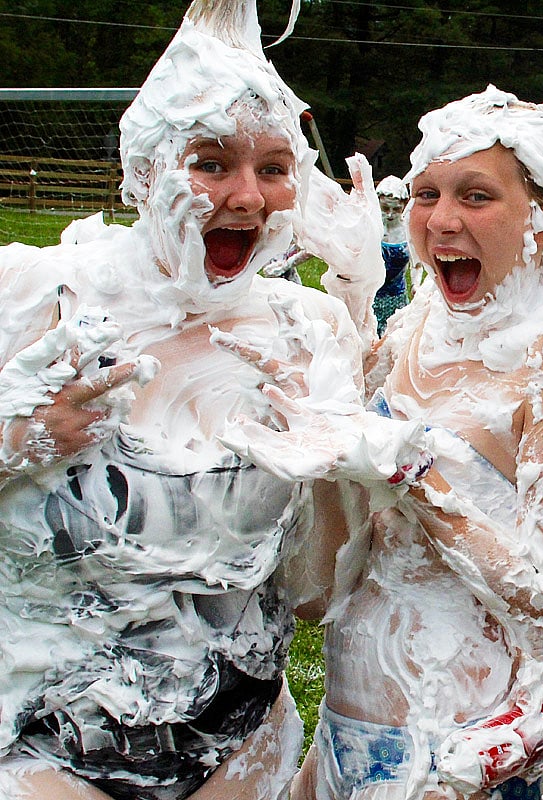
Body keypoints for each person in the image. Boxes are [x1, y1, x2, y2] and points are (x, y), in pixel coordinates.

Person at [0, 1, 427, 798]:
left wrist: (333, 464)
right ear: (145, 171)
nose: (247, 197)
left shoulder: (309, 331)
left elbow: (309, 597)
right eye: (210, 162)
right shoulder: (34, 297)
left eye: (273, 168)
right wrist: (21, 436)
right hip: (38, 736)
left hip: (236, 742)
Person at [290, 85, 543, 800]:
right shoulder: (413, 329)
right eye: (425, 194)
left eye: (476, 197)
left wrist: (414, 474)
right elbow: (321, 594)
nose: (441, 220)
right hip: (347, 728)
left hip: (458, 759)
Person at [373, 174, 414, 333]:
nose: (390, 214)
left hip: (397, 297)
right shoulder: (371, 228)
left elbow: (416, 263)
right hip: (370, 296)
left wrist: (415, 284)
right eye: (385, 208)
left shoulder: (408, 231)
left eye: (396, 209)